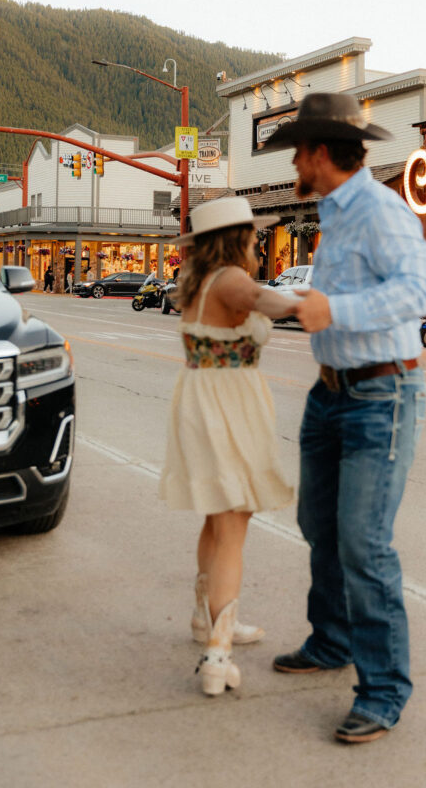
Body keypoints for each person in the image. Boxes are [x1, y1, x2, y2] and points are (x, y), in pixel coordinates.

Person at [263, 92, 426, 745]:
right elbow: (349, 291)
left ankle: (383, 690)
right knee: (318, 524)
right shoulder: (334, 214)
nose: (292, 166)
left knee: (363, 543)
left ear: (317, 152)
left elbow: (420, 293)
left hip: (379, 397)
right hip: (331, 393)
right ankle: (331, 641)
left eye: (295, 154)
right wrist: (299, 302)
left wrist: (333, 312)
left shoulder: (378, 209)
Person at [159, 198, 295, 697]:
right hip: (227, 407)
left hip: (203, 399)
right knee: (234, 519)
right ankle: (218, 652)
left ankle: (207, 615)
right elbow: (270, 303)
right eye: (254, 237)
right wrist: (309, 304)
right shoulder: (231, 280)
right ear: (236, 240)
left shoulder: (198, 281)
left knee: (217, 515)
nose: (258, 244)